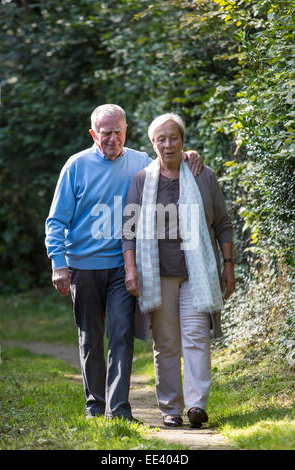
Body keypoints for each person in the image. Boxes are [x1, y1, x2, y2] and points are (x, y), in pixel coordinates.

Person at [45, 104, 203, 422]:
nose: (113, 138)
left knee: (120, 334)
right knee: (91, 336)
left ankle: (118, 409)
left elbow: (168, 162)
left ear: (126, 130)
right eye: (106, 133)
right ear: (94, 134)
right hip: (82, 266)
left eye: (119, 131)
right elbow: (56, 221)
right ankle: (95, 405)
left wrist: (189, 155)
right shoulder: (75, 166)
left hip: (122, 265)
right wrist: (58, 263)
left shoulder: (140, 163)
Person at [122, 113, 235, 428]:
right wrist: (131, 268)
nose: (168, 144)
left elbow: (223, 224)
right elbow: (128, 230)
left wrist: (228, 265)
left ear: (184, 142)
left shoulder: (203, 176)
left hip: (196, 274)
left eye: (174, 138)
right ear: (153, 143)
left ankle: (197, 406)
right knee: (167, 342)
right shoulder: (142, 180)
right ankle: (171, 408)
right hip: (157, 275)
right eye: (161, 138)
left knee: (197, 337)